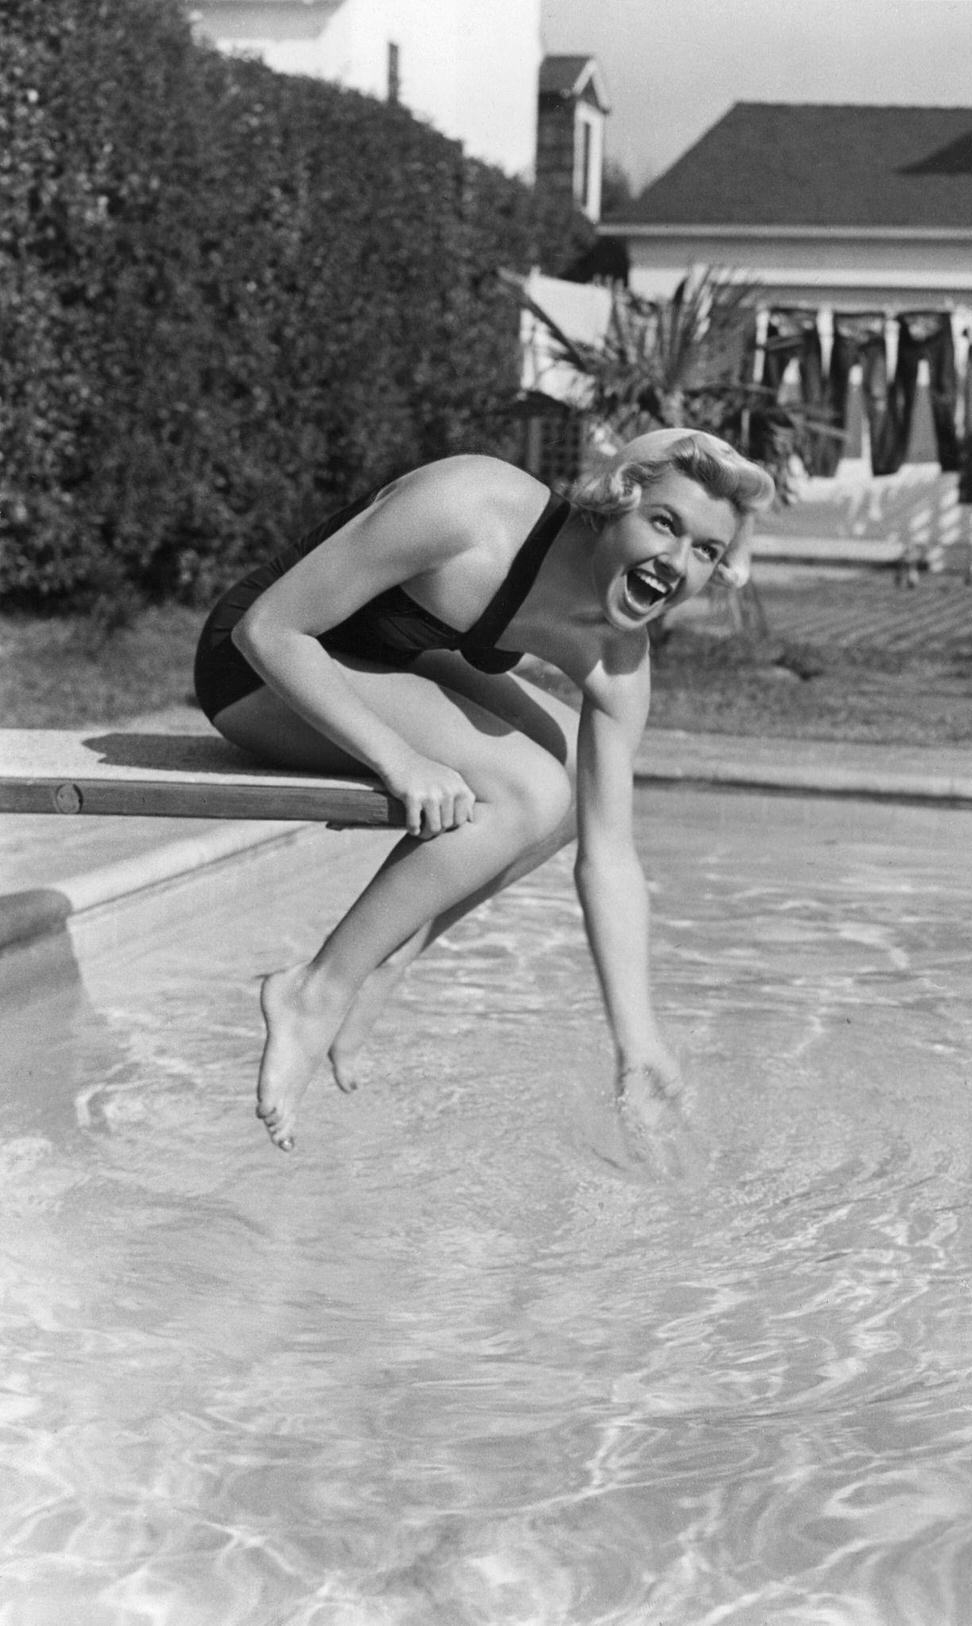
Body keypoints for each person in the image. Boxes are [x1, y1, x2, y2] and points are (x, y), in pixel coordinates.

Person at [193, 429, 775, 1157]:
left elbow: (610, 856)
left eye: (707, 551)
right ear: (618, 500)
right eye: (665, 523)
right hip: (259, 670)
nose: (678, 562)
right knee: (527, 790)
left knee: (571, 771)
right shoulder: (468, 510)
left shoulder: (618, 652)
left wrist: (639, 1043)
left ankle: (392, 953)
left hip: (377, 657)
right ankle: (313, 991)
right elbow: (269, 628)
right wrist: (399, 759)